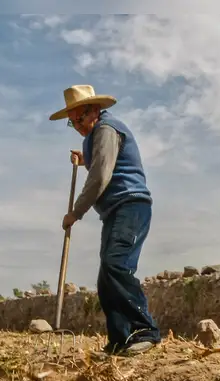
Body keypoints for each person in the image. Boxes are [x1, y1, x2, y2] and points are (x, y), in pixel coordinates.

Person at [49, 84, 161, 357]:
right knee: (106, 276)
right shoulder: (97, 133)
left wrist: (76, 212)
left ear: (95, 110)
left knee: (116, 266)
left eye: (80, 118)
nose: (77, 125)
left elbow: (101, 175)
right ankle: (119, 341)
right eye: (72, 122)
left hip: (130, 204)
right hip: (114, 211)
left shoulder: (107, 129)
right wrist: (84, 157)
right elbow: (102, 160)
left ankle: (144, 331)